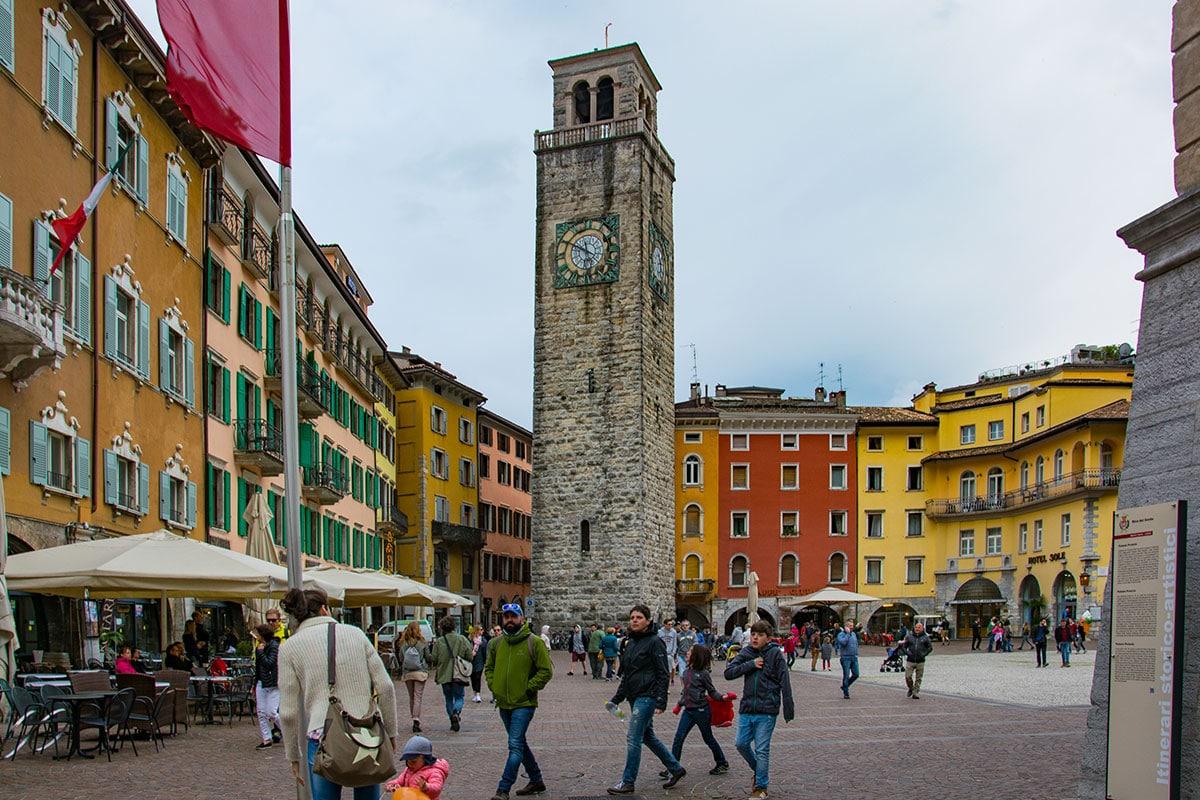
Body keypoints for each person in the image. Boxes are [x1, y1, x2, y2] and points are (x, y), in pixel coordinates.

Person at [277, 587, 397, 800]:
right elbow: (386, 687)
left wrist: (294, 756)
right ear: (325, 609)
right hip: (366, 732)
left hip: (322, 735)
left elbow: (287, 712)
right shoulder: (355, 634)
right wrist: (391, 733)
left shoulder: (290, 648)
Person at [607, 604, 685, 795]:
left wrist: (661, 700)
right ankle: (675, 768)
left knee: (633, 737)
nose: (634, 620)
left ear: (648, 621)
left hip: (647, 696)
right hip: (634, 696)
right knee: (647, 736)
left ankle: (628, 781)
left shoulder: (655, 642)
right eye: (632, 617)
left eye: (639, 617)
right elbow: (628, 675)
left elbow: (663, 673)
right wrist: (616, 699)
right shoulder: (630, 643)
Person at [485, 602, 553, 800]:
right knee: (520, 743)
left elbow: (546, 671)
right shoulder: (495, 644)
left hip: (524, 704)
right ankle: (536, 780)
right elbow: (489, 668)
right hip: (503, 703)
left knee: (514, 745)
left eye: (514, 616)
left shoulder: (535, 642)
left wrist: (528, 688)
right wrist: (493, 685)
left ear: (521, 618)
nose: (510, 620)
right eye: (506, 617)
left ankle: (503, 789)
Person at [723, 620, 793, 800]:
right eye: (753, 634)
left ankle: (761, 787)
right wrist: (751, 664)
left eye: (760, 635)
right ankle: (759, 770)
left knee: (762, 749)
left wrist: (788, 707)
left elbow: (784, 680)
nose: (755, 637)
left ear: (768, 638)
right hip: (747, 707)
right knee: (741, 744)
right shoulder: (746, 652)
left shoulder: (776, 654)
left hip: (767, 709)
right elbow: (729, 672)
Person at [666, 644, 728, 776]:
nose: (687, 653)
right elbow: (686, 692)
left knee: (708, 738)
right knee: (678, 738)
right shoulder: (685, 672)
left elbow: (712, 692)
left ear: (696, 656)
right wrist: (679, 704)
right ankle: (673, 766)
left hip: (701, 711)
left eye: (690, 652)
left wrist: (723, 697)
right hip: (688, 711)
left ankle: (722, 762)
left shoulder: (704, 674)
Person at [428, 616, 472, 732]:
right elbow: (470, 656)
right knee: (459, 696)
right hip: (458, 674)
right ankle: (456, 713)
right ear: (454, 626)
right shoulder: (462, 639)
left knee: (448, 698)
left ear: (442, 628)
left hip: (444, 675)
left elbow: (434, 659)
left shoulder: (439, 641)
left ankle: (452, 720)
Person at [384, 736, 450, 800]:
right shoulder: (408, 770)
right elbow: (399, 781)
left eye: (413, 761)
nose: (409, 764)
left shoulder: (434, 771)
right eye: (407, 761)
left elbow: (437, 788)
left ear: (425, 758)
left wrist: (426, 787)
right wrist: (392, 785)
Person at [253, 622, 282, 749]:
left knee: (271, 712)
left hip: (273, 683)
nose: (256, 636)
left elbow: (269, 663)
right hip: (261, 682)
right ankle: (266, 739)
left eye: (258, 634)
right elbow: (258, 668)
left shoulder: (274, 646)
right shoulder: (260, 646)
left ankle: (288, 732)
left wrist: (260, 652)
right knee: (261, 712)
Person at [398, 621, 430, 733]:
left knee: (411, 697)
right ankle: (416, 719)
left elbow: (401, 658)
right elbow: (428, 657)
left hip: (408, 673)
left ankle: (413, 717)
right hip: (420, 672)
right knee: (418, 697)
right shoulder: (422, 642)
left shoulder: (403, 643)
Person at [897, 622, 933, 700]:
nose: (917, 629)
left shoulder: (925, 638)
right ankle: (911, 688)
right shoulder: (909, 637)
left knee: (918, 678)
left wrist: (924, 654)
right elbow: (903, 647)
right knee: (908, 676)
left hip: (920, 661)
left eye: (919, 627)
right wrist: (907, 653)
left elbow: (930, 648)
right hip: (910, 660)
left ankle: (915, 692)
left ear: (922, 628)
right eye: (916, 627)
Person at [836, 621, 860, 699]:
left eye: (852, 626)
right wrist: (848, 634)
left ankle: (845, 686)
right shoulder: (841, 635)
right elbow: (843, 642)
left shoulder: (854, 634)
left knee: (856, 674)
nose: (851, 627)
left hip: (854, 657)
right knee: (846, 675)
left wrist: (856, 652)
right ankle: (846, 692)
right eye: (850, 626)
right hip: (845, 658)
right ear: (846, 627)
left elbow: (856, 644)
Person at [471, 625, 490, 703]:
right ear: (476, 630)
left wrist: (486, 662)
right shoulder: (471, 640)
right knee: (472, 678)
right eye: (480, 629)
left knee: (478, 677)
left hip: (480, 661)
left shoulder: (483, 641)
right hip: (471, 661)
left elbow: (485, 652)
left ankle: (478, 695)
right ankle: (475, 693)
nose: (482, 631)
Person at [658, 619, 678, 684]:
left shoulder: (674, 632)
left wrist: (673, 653)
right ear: (665, 624)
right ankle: (667, 683)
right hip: (662, 653)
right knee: (665, 669)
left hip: (670, 653)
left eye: (671, 624)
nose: (670, 626)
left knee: (672, 668)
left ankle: (671, 679)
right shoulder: (660, 632)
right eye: (669, 624)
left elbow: (675, 643)